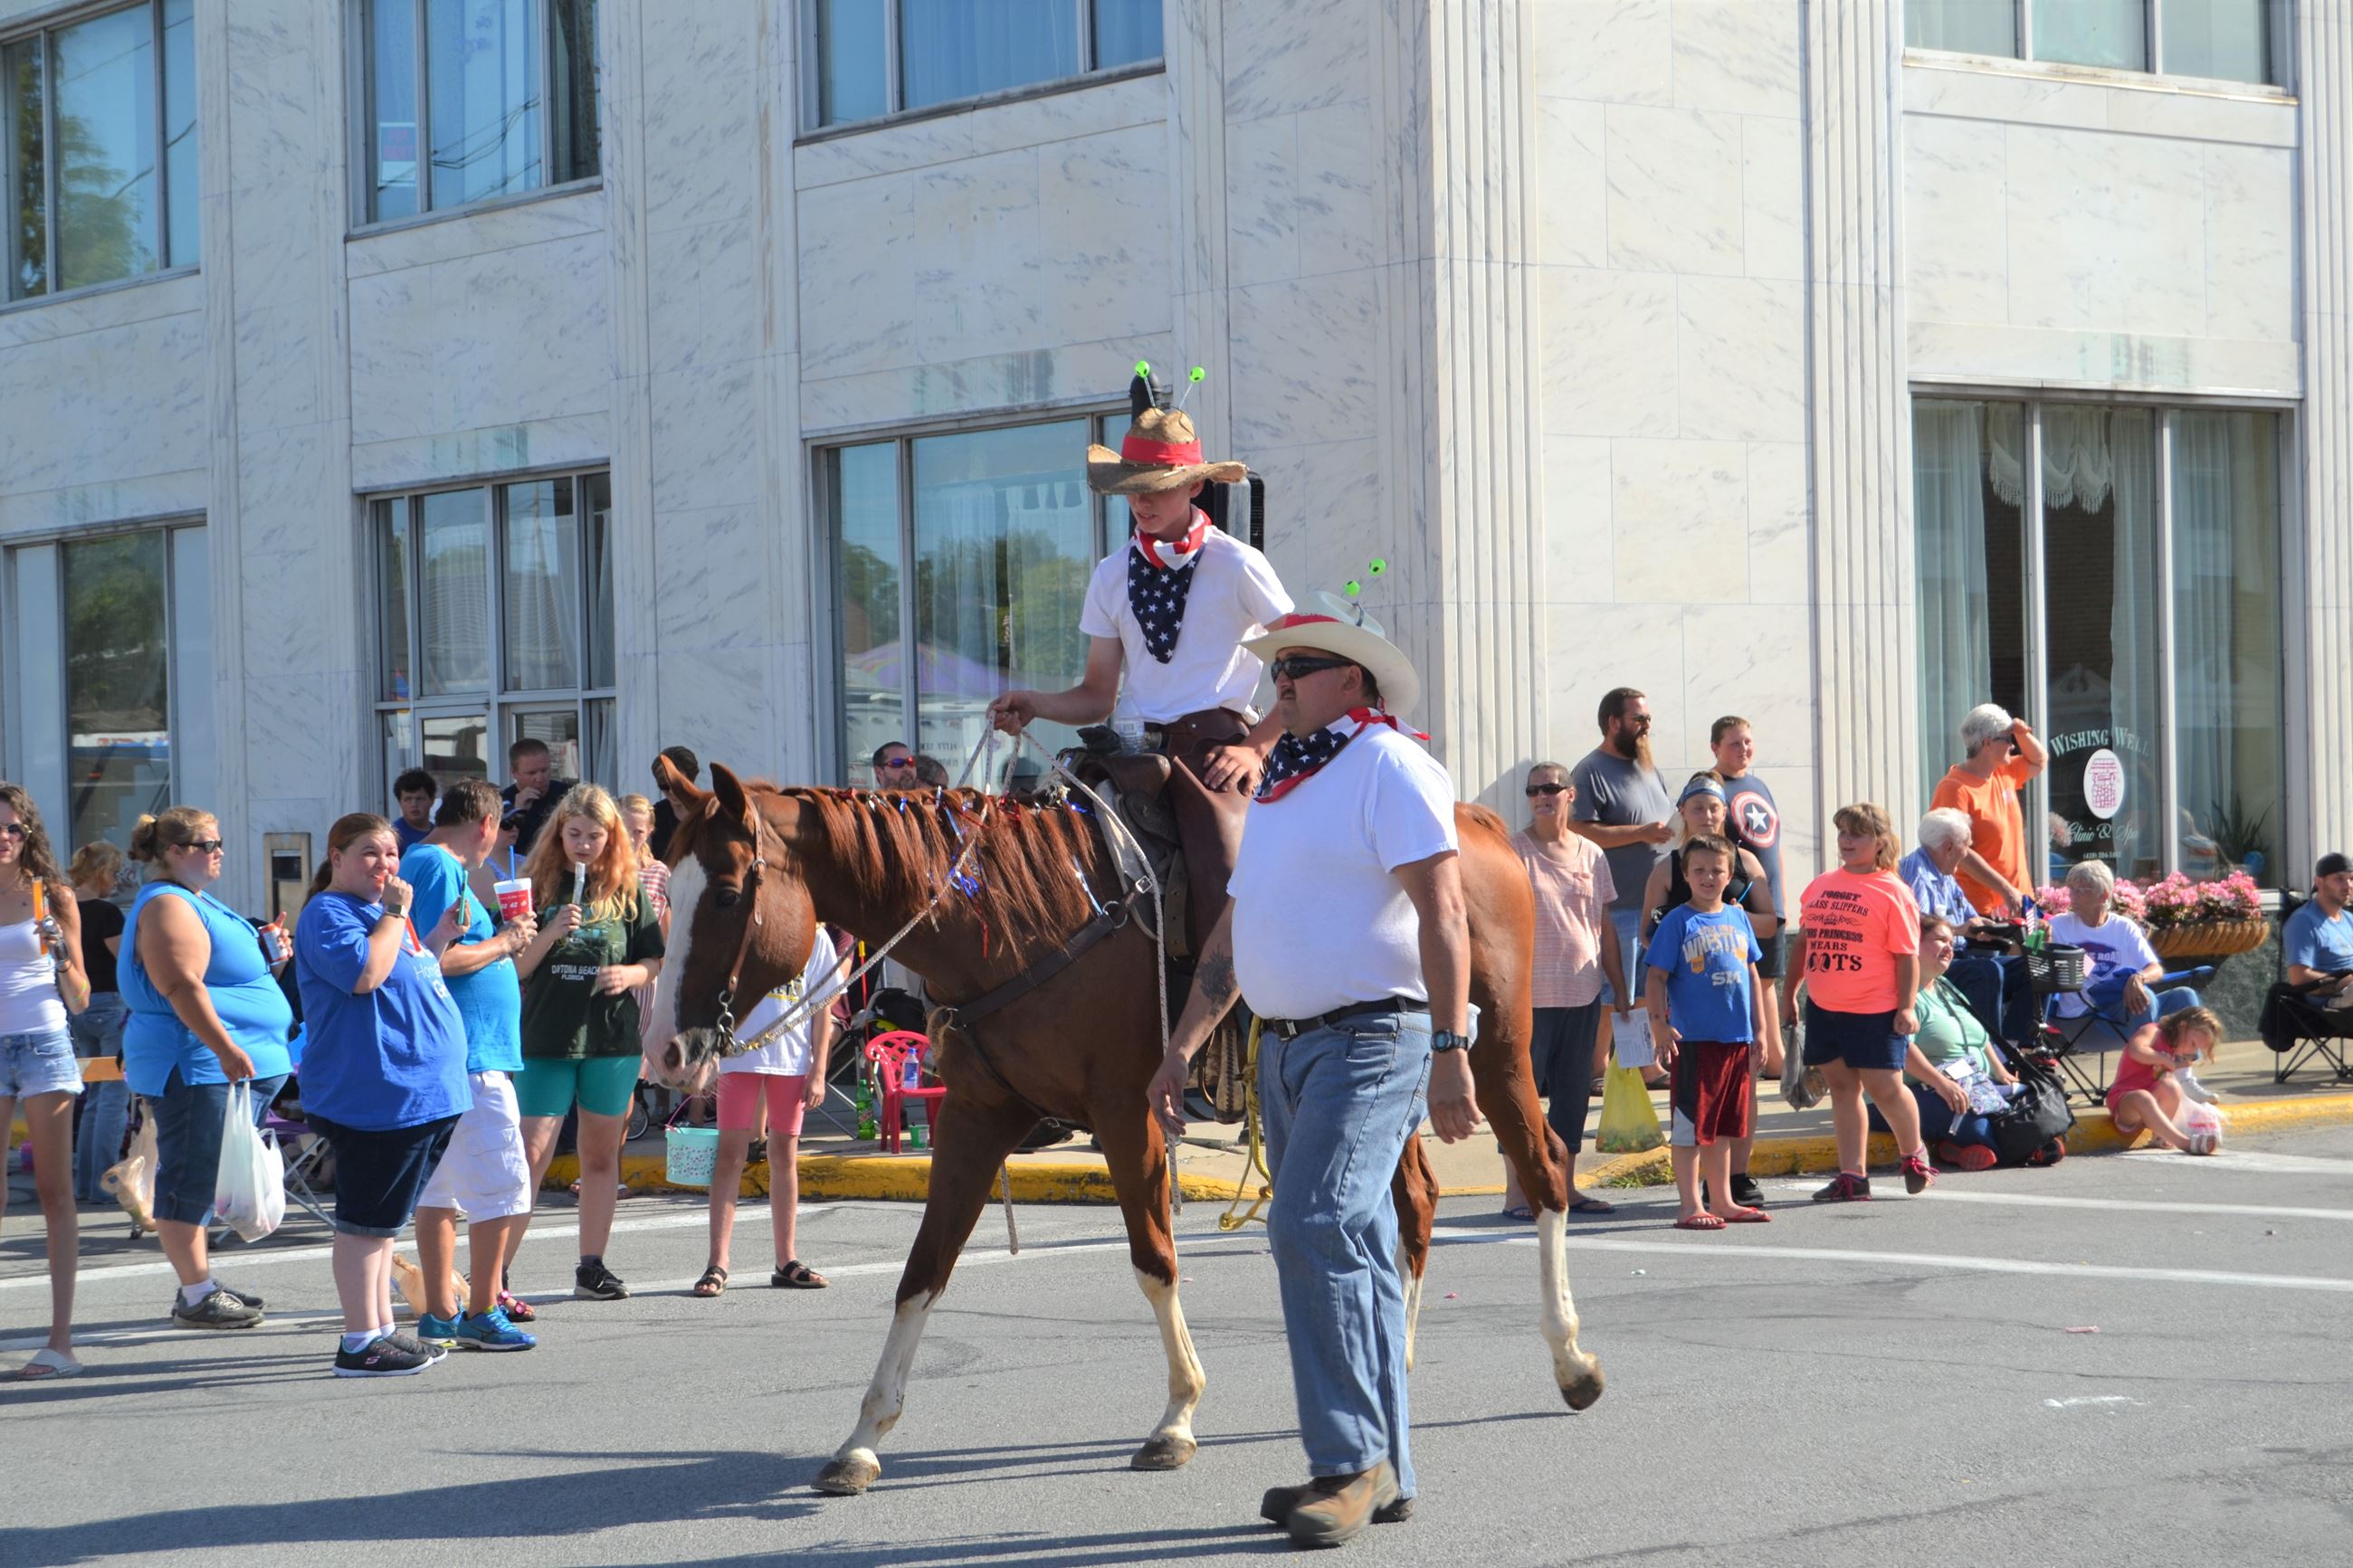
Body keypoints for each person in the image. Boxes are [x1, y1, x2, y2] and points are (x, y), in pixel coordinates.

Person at [1148, 604, 1473, 1547]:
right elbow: (1234, 927)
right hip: (1285, 1048)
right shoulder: (1284, 782)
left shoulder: (1389, 763)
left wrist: (1451, 1049)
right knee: (1356, 1245)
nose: (1279, 681)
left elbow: (1444, 914)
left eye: (1299, 666)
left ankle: (1346, 1464)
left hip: (1372, 1038)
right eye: (1276, 667)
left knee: (1311, 1224)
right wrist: (1181, 1045)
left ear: (1351, 681)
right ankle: (1388, 1468)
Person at [987, 388, 1292, 956]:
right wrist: (1036, 703)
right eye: (1132, 488)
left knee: (1227, 882)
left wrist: (1257, 747)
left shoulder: (1238, 563)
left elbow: (1305, 665)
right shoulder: (1110, 574)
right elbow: (1097, 696)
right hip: (1130, 751)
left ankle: (1244, 1001)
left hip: (1215, 752)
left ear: (1195, 486)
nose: (1141, 502)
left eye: (1157, 487)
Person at [293, 813, 472, 1377]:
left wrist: (437, 936)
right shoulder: (329, 912)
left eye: (392, 853)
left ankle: (381, 1329)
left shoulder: (384, 915)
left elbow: (411, 973)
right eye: (370, 852)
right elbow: (365, 975)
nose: (385, 864)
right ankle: (358, 1340)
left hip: (421, 1096)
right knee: (364, 1223)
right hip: (377, 1096)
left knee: (384, 1225)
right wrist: (396, 913)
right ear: (337, 857)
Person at [119, 807, 295, 1331]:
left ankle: (202, 1286)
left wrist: (271, 958)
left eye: (218, 842)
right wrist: (224, 1047)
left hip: (217, 1065)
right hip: (196, 1065)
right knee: (189, 1178)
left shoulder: (193, 897)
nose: (219, 852)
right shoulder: (168, 904)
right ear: (174, 852)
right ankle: (196, 1295)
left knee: (201, 1175)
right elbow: (181, 985)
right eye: (208, 844)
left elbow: (222, 978)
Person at [402, 780, 542, 1353]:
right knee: (503, 1186)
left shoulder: (427, 862)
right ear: (486, 823)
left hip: (456, 1056)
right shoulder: (439, 865)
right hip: (471, 1057)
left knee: (441, 1190)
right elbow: (436, 957)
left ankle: (441, 1312)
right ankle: (483, 1309)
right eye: (498, 828)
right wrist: (506, 941)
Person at [511, 784, 663, 1302]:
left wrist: (631, 975)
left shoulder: (627, 888)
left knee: (600, 1157)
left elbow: (653, 959)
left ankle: (591, 1266)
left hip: (611, 1039)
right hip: (547, 1037)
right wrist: (549, 932)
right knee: (530, 1155)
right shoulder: (536, 884)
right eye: (573, 834)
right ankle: (496, 1271)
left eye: (594, 836)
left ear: (611, 837)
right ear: (558, 834)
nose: (583, 844)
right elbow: (515, 967)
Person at [1640, 774, 1780, 1209]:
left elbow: (1767, 932)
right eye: (1697, 807)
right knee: (1691, 1122)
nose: (1706, 815)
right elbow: (1651, 947)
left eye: (1713, 807)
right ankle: (1692, 1202)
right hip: (1693, 1029)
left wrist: (1761, 1030)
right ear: (1683, 811)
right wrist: (1658, 1022)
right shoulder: (1670, 881)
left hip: (1736, 1028)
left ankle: (1728, 1190)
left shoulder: (1743, 873)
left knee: (1727, 1118)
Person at [1782, 802, 1935, 1202]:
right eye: (1843, 833)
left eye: (1857, 834)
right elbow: (1804, 943)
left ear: (1880, 842)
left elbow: (1906, 955)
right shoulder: (1820, 885)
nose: (1846, 841)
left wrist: (1906, 1007)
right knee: (1841, 1088)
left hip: (1874, 1009)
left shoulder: (1893, 891)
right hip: (1824, 1006)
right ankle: (1853, 1175)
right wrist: (1790, 993)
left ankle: (1913, 1153)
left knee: (1885, 1088)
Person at [1499, 765, 1625, 1219]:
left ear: (1570, 794)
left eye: (1550, 788)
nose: (1541, 797)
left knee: (1572, 1096)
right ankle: (1517, 1193)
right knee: (1520, 1097)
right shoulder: (1512, 850)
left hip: (1583, 993)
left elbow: (1605, 926)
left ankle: (1565, 1187)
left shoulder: (1592, 854)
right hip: (1527, 998)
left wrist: (1621, 989)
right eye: (1533, 790)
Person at [696, 931, 849, 1297]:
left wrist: (819, 1071)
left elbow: (822, 1007)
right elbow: (711, 992)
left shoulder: (815, 935)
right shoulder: (741, 928)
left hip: (791, 1062)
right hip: (738, 1057)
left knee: (784, 1156)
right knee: (730, 1156)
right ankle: (718, 1262)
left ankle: (786, 1259)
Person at [0, 784, 90, 1379]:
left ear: (28, 833)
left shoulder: (52, 895)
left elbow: (81, 998)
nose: (4, 837)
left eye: (14, 828)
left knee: (55, 1191)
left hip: (43, 1041)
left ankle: (61, 1342)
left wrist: (59, 955)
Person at [1888, 915, 2061, 1170]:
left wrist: (2001, 1072)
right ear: (1913, 943)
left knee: (2036, 1098)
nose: (1949, 948)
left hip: (1974, 1082)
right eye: (1940, 940)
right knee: (1976, 1123)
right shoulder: (1904, 996)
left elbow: (1980, 1036)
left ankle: (1989, 1147)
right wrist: (1942, 1084)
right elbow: (1901, 1050)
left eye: (1951, 942)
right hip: (1923, 1088)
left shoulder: (1946, 986)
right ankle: (2027, 1148)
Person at [1568, 688, 1675, 1026]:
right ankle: (1599, 1059)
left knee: (1649, 994)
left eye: (1649, 718)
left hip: (1656, 908)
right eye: (1639, 718)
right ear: (1614, 722)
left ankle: (1643, 1057)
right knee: (1613, 998)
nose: (1647, 725)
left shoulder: (1649, 769)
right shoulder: (1589, 771)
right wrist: (1641, 833)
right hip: (1619, 910)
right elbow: (1579, 830)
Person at [1901, 807, 2034, 1047]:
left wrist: (1993, 927)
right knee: (1987, 971)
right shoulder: (1917, 874)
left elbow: (1971, 920)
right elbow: (1916, 927)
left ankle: (2017, 1046)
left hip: (1960, 955)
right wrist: (1959, 930)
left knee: (2034, 966)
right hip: (1931, 964)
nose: (1968, 853)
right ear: (1949, 847)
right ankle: (1988, 1049)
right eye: (1967, 846)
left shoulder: (1946, 875)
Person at [2046, 860, 2205, 1046]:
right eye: (2071, 889)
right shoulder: (2058, 925)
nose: (2072, 895)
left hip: (2121, 1013)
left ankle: (2184, 1062)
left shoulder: (2123, 927)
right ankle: (2146, 1060)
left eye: (2080, 890)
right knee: (2145, 999)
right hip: (2084, 1019)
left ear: (2103, 896)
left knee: (2184, 996)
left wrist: (2139, 978)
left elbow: (2155, 969)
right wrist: (2039, 937)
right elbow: (2027, 954)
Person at [1710, 716, 1791, 1052]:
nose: (1743, 749)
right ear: (1715, 748)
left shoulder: (1758, 785)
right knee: (1742, 979)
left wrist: (1780, 897)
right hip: (1736, 905)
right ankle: (1746, 1054)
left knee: (1767, 978)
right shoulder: (1711, 787)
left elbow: (1774, 845)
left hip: (1768, 902)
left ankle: (1775, 1057)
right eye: (1734, 743)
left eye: (1747, 741)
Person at [1929, 703, 2047, 915]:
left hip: (2020, 901)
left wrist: (2021, 733)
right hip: (1980, 909)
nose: (2013, 746)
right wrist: (2005, 889)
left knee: (2036, 938)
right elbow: (1957, 851)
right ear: (1987, 743)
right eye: (2007, 739)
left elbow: (2039, 761)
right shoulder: (1954, 788)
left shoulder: (2004, 772)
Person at [67, 841, 132, 1206]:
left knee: (93, 1098)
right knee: (113, 1099)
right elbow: (126, 961)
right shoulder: (107, 913)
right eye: (115, 873)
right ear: (102, 872)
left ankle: (85, 1184)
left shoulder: (64, 908)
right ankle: (104, 1185)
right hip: (111, 1007)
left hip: (78, 1008)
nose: (118, 881)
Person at [2109, 1006, 2226, 1155]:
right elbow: (2135, 1050)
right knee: (2143, 1096)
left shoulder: (2174, 1050)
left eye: (2196, 1049)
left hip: (2150, 1104)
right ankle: (2184, 1143)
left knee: (2171, 1086)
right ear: (2182, 1026)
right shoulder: (2153, 1031)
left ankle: (2160, 1137)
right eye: (2193, 1044)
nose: (2191, 1052)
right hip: (2125, 1102)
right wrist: (2162, 1059)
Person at [2282, 851, 2353, 995]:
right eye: (2339, 879)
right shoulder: (2304, 921)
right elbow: (2300, 979)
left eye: (2351, 879)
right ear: (2319, 882)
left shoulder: (2349, 919)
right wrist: (2343, 983)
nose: (2348, 886)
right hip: (2330, 1001)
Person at [500, 738, 576, 858]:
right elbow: (503, 850)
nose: (540, 778)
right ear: (514, 772)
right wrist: (517, 813)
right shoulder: (502, 801)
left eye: (544, 770)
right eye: (531, 773)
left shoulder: (568, 794)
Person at [648, 745, 699, 860]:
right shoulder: (654, 817)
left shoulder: (709, 812)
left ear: (691, 780)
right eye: (664, 785)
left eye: (677, 785)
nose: (671, 791)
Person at [391, 768, 438, 853]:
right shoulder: (393, 836)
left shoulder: (438, 833)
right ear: (400, 802)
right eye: (408, 799)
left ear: (432, 800)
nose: (414, 804)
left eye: (419, 799)